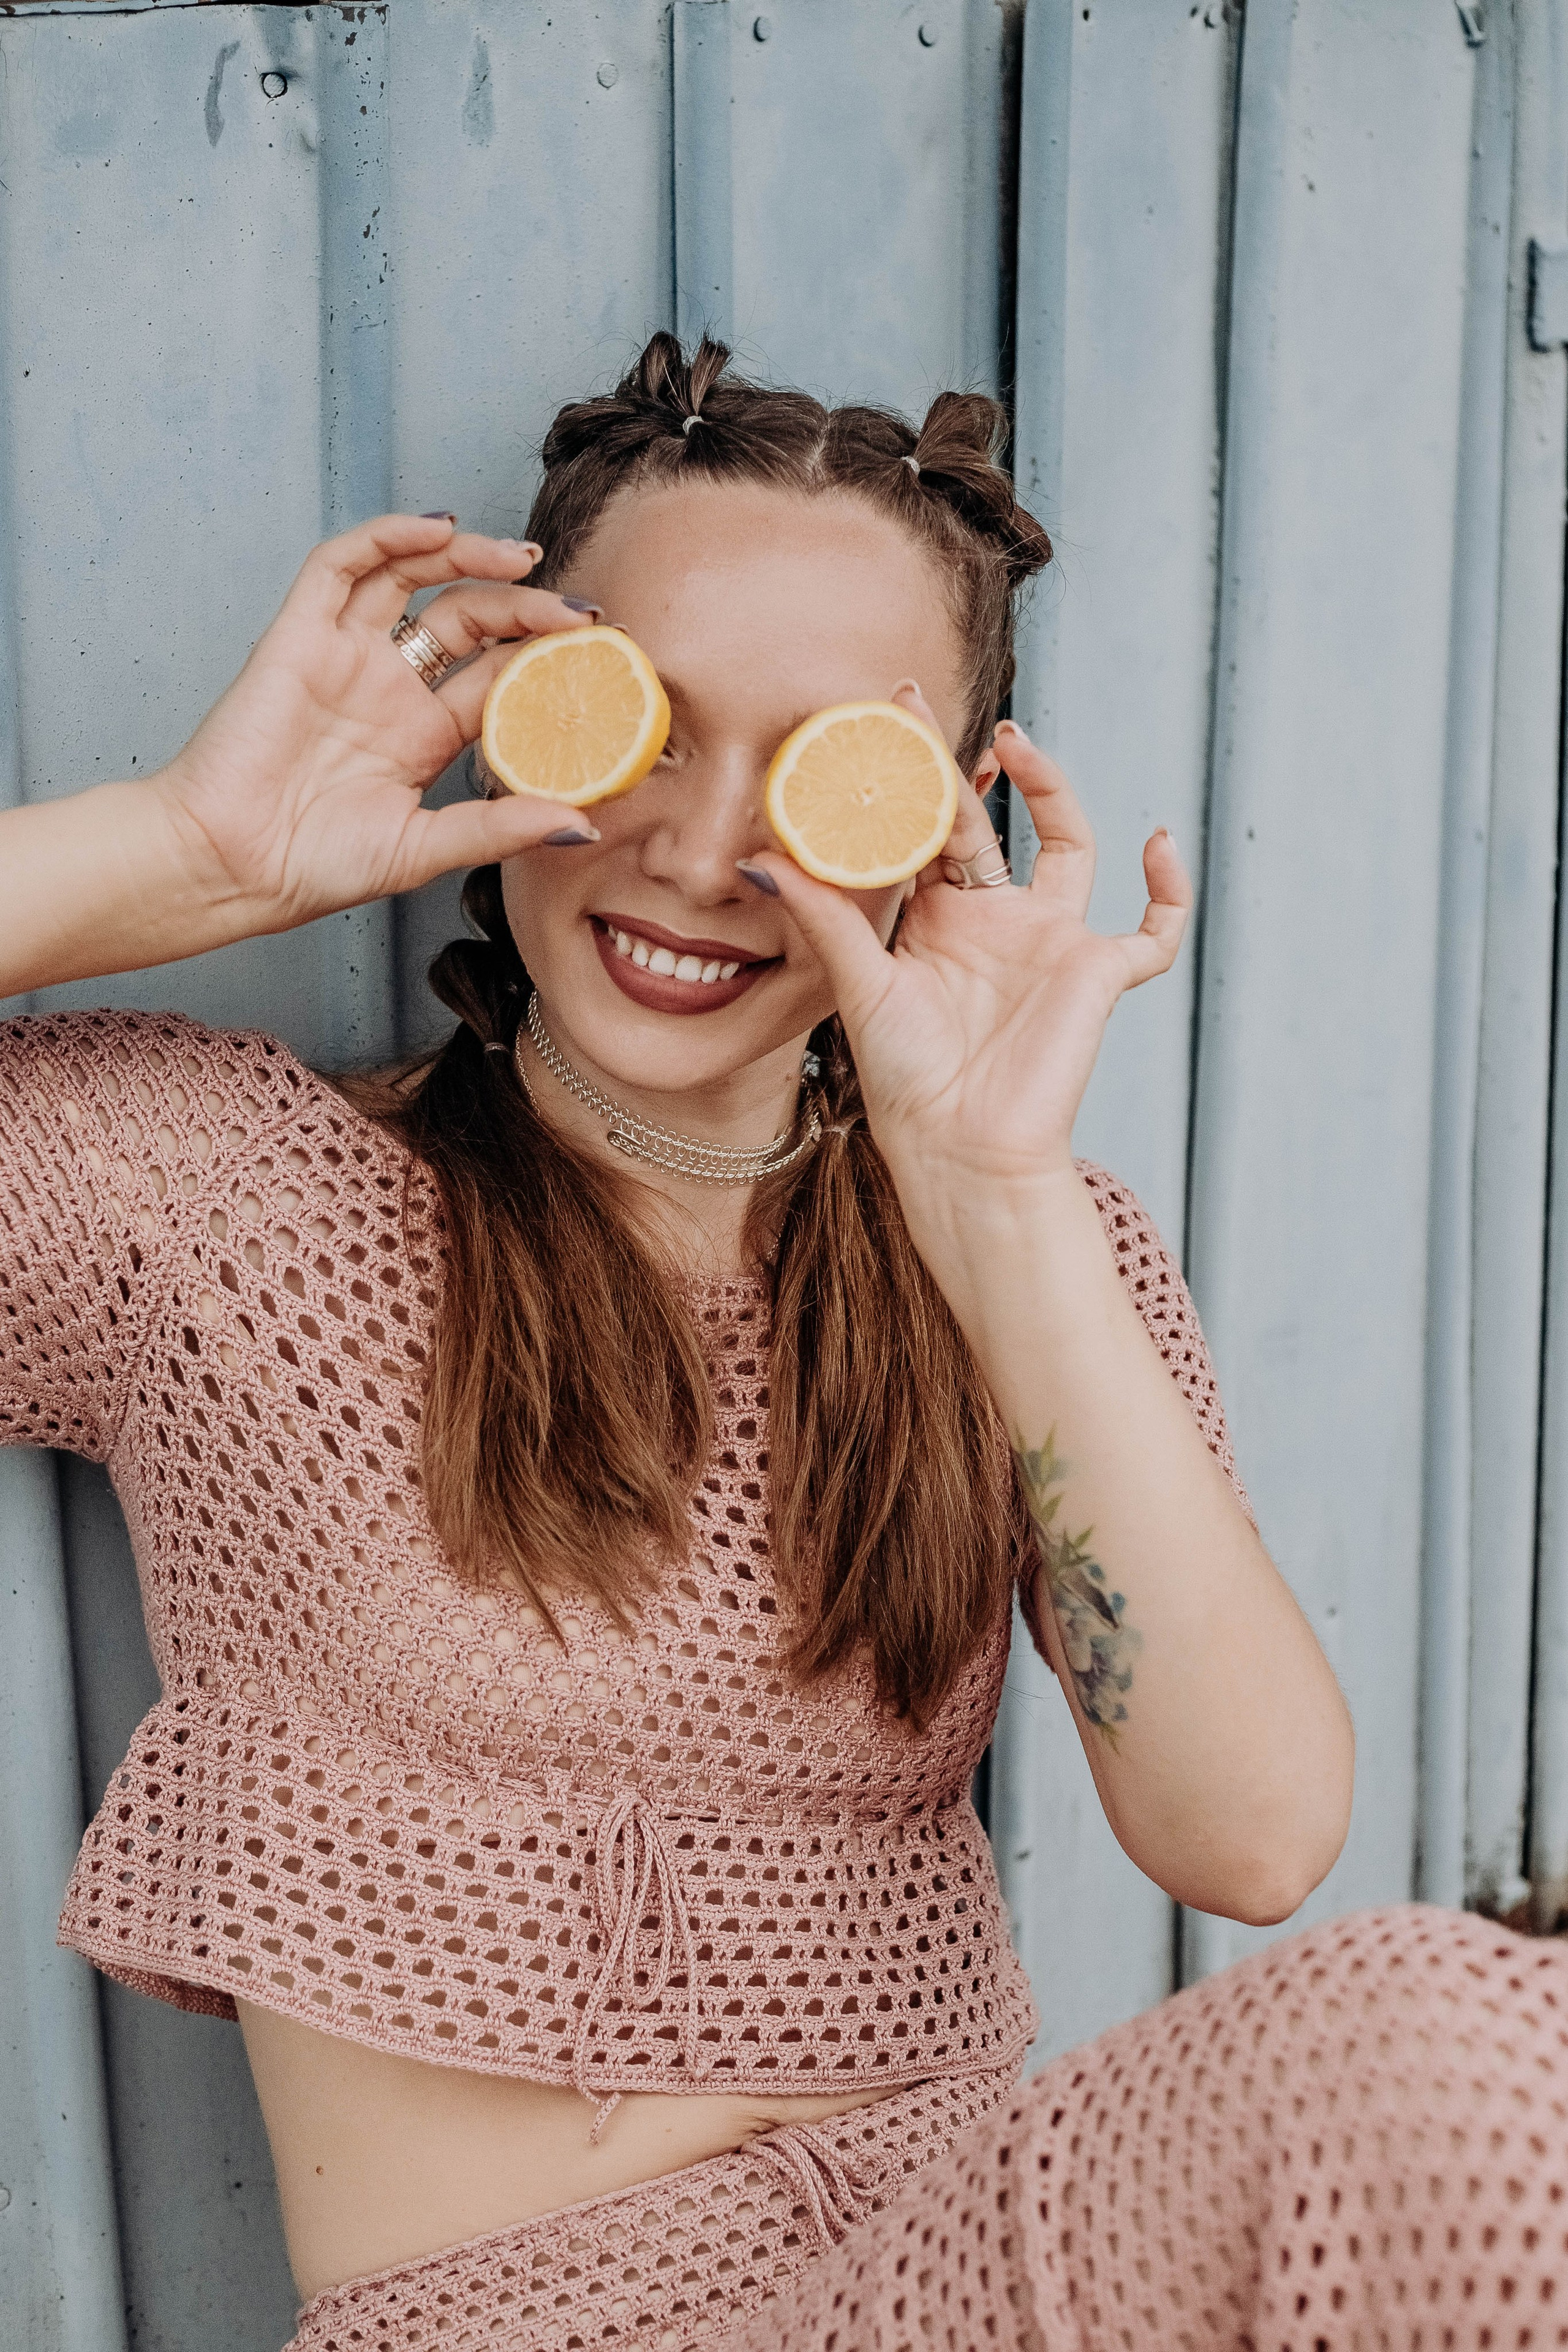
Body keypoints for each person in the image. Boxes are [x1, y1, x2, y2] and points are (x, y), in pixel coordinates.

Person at [0, 334, 1558, 2352]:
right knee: (1447, 2063)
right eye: (636, 725)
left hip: (971, 2256)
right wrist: (188, 852)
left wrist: (993, 1196)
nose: (701, 847)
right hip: (545, 2329)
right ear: (502, 718)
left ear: (937, 832)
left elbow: (1253, 1835)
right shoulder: (223, 1209)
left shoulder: (1024, 1251)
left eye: (822, 774)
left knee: (1480, 2087)